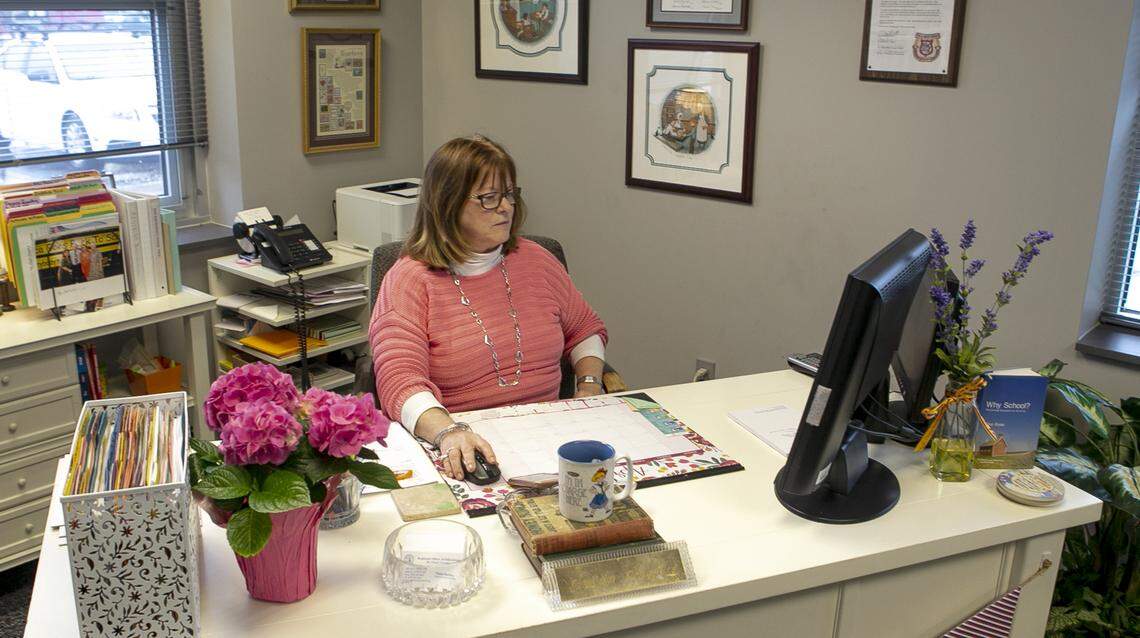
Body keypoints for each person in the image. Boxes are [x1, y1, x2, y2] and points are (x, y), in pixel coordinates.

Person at [368, 135, 608, 480]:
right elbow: (400, 381)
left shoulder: (537, 260)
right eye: (489, 198)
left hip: (551, 436)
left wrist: (587, 386)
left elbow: (584, 328)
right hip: (464, 445)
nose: (505, 207)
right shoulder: (409, 279)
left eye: (509, 195)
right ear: (447, 204)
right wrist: (448, 433)